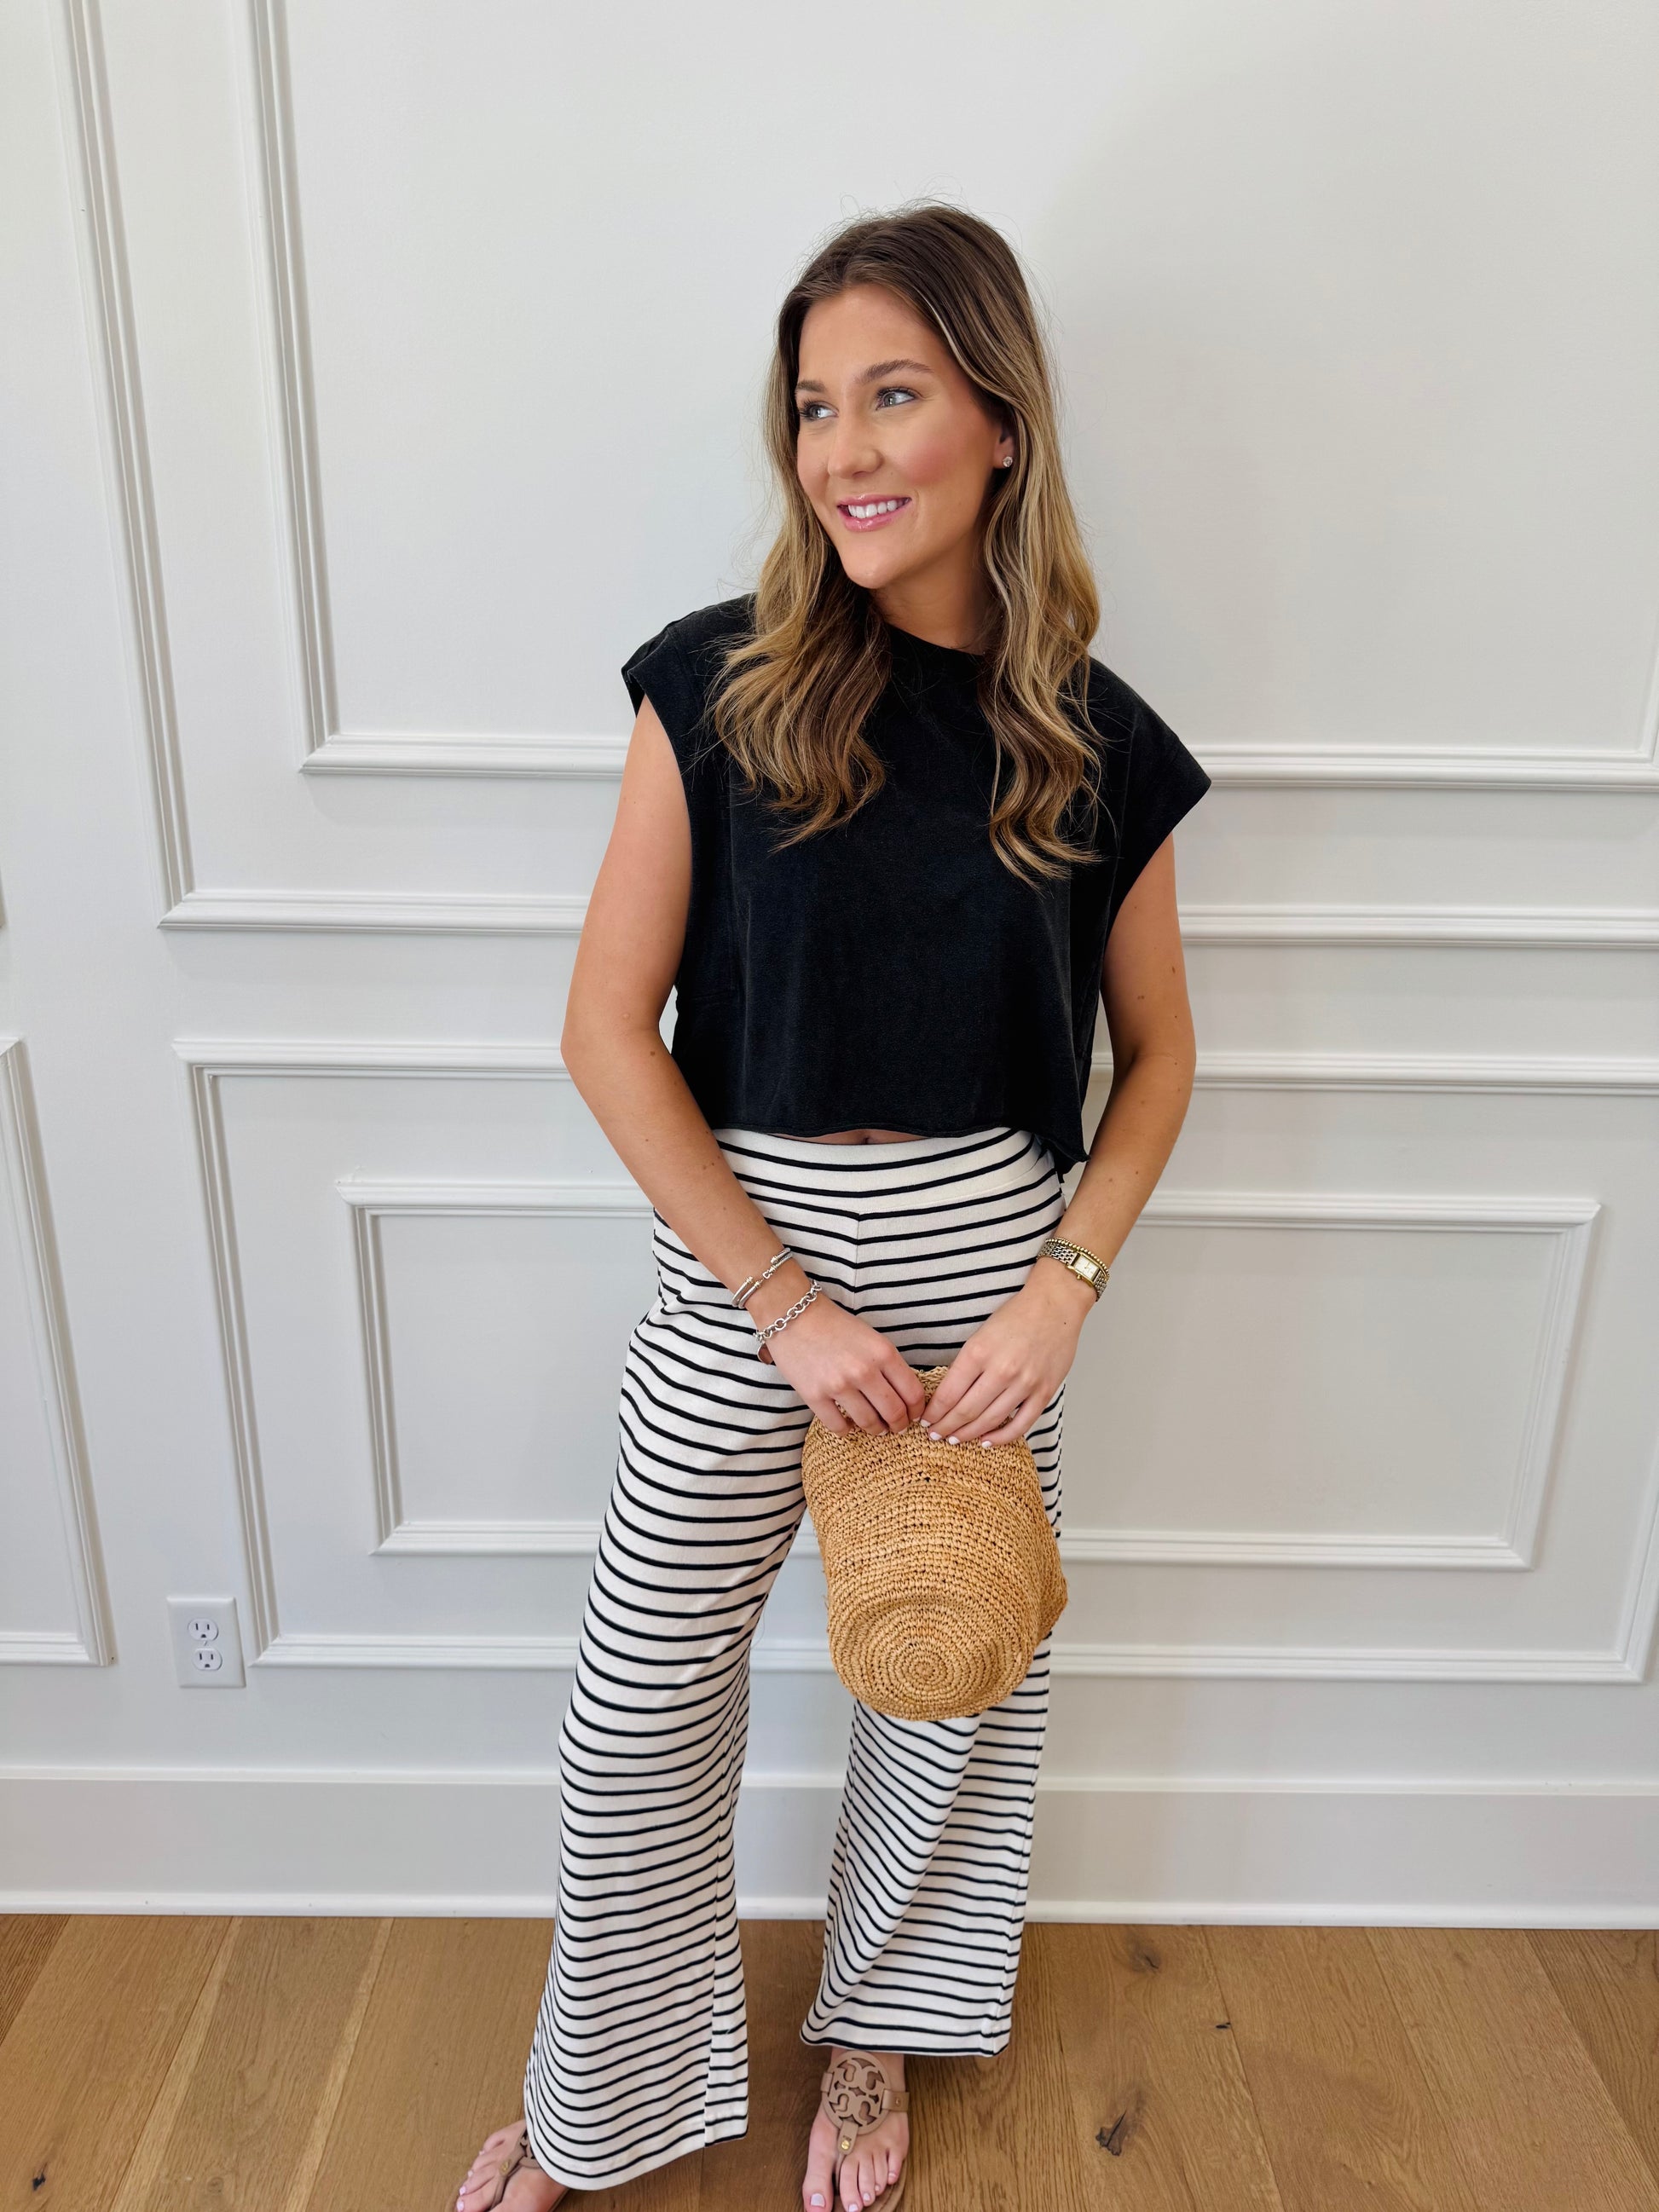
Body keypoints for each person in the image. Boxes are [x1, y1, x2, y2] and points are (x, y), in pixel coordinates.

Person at [454, 199, 1211, 2212]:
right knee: (637, 1704)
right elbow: (605, 1028)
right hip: (748, 1258)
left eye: (893, 395)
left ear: (998, 422)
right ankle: (597, 2096)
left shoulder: (1094, 737)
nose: (846, 449)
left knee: (945, 1684)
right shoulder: (713, 686)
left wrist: (1062, 1288)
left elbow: (1161, 1061)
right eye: (814, 406)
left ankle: (869, 2033)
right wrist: (780, 1296)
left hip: (986, 1266)